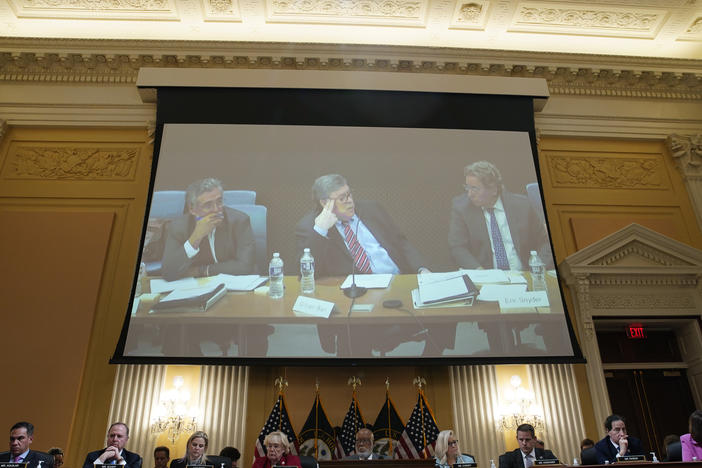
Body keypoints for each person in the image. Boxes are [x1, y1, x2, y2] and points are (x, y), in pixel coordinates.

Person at [295, 174, 429, 278]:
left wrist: (421, 268)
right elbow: (307, 274)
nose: (350, 201)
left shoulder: (372, 209)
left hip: (397, 279)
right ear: (325, 203)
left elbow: (401, 242)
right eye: (342, 198)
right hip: (354, 293)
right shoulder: (309, 227)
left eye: (349, 194)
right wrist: (321, 231)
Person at [448, 161, 551, 271]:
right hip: (487, 275)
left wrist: (538, 267)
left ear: (493, 189)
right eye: (467, 187)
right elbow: (458, 247)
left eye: (475, 188)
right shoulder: (462, 208)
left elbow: (545, 242)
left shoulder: (522, 206)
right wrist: (479, 271)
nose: (470, 194)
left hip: (524, 273)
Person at [161, 178, 255, 280]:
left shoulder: (239, 221)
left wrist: (200, 271)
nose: (216, 209)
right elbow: (168, 273)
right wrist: (195, 238)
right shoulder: (178, 227)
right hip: (196, 288)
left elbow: (245, 266)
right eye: (208, 205)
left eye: (219, 202)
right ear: (192, 209)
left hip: (236, 285)